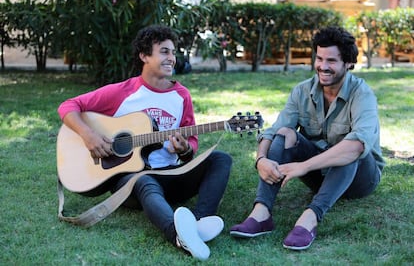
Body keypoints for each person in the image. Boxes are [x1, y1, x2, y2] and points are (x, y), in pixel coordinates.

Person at [57, 24, 232, 261]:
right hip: (132, 184)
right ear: (144, 56)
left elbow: (191, 142)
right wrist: (90, 135)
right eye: (164, 52)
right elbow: (68, 106)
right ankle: (178, 235)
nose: (172, 58)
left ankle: (200, 222)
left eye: (173, 52)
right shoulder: (122, 92)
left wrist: (185, 149)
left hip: (173, 174)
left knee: (220, 159)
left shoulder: (181, 96)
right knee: (144, 179)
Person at [230, 26, 385, 250]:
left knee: (350, 147)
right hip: (320, 176)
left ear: (348, 63)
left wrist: (304, 166)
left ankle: (310, 217)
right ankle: (262, 213)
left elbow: (357, 146)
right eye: (319, 58)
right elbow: (274, 131)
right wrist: (261, 159)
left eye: (331, 60)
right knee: (284, 135)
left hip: (359, 179)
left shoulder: (362, 94)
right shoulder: (302, 91)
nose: (323, 66)